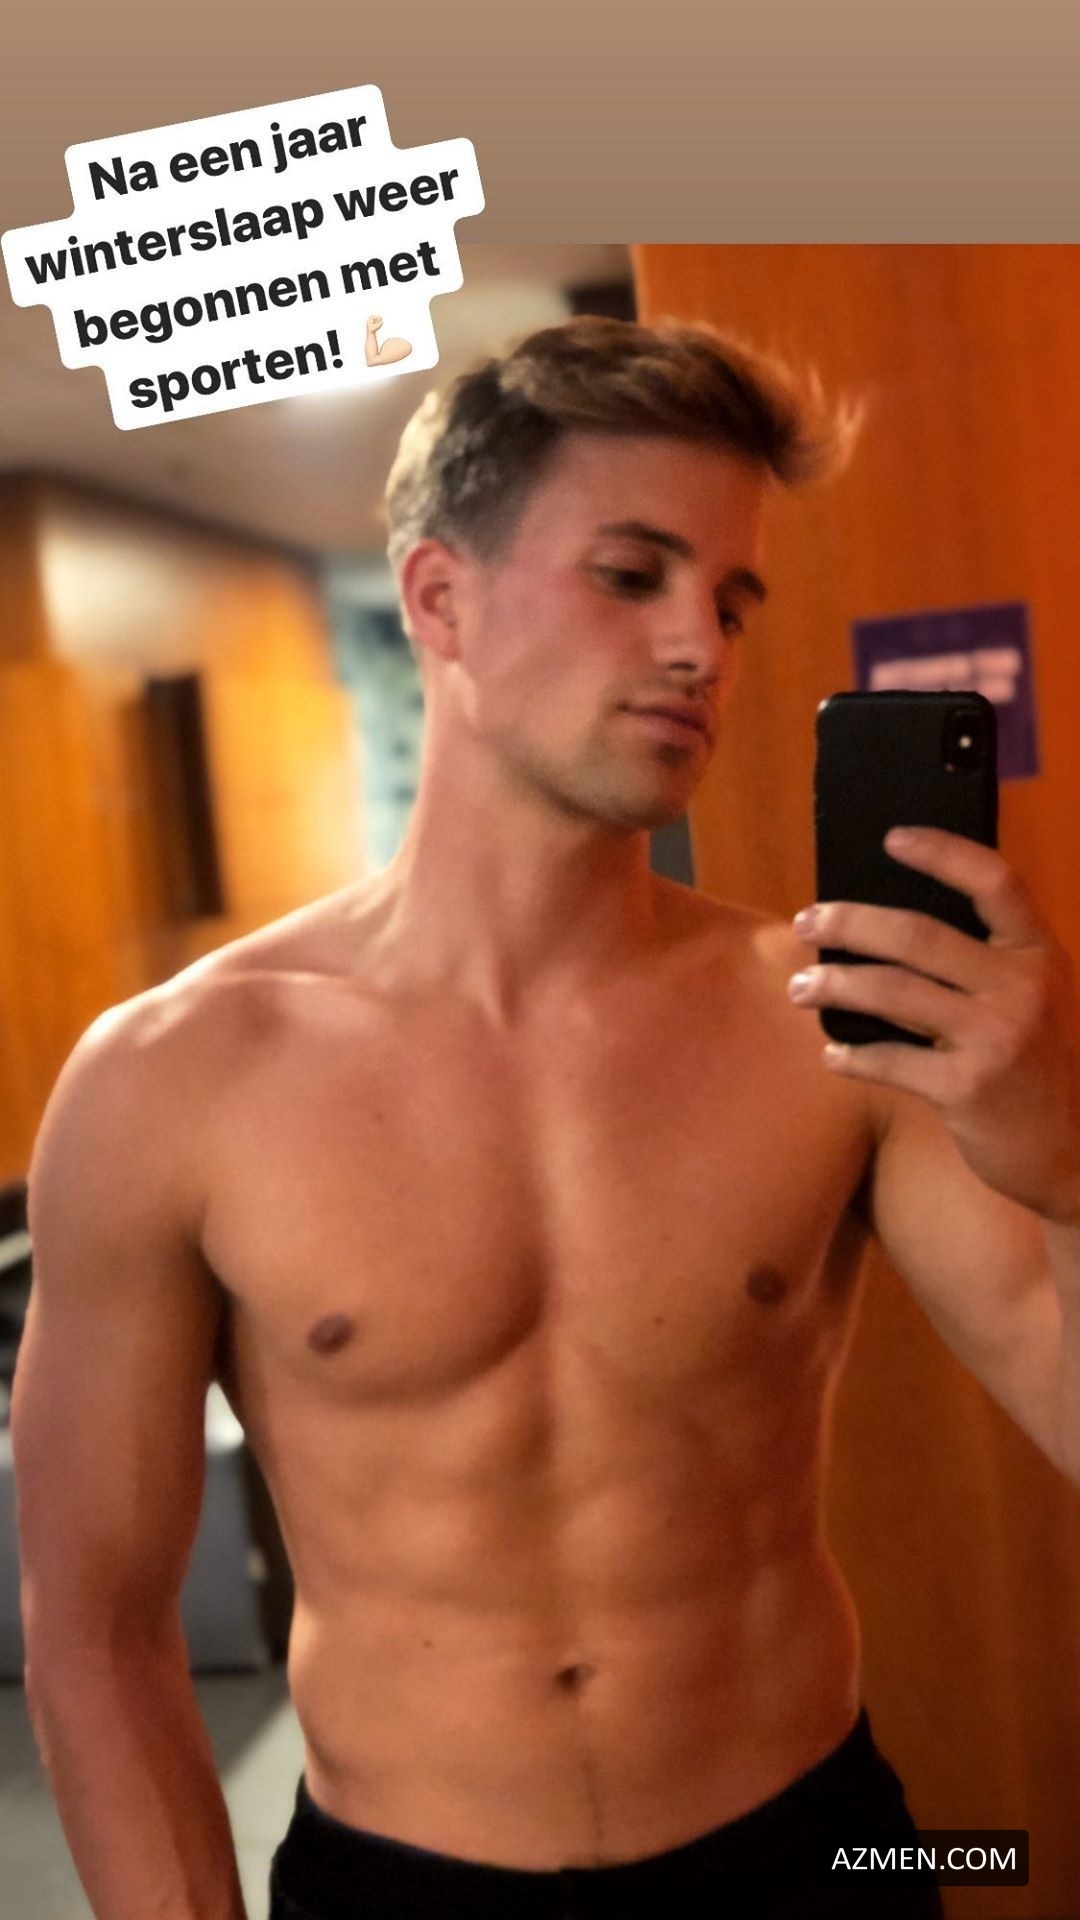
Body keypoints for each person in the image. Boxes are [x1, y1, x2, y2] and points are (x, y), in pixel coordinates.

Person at [14, 316, 1080, 1920]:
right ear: (437, 597)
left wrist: (1069, 1173)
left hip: (817, 1854)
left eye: (730, 600)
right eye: (632, 574)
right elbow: (94, 1626)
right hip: (400, 1882)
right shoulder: (172, 1076)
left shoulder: (828, 1021)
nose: (702, 648)